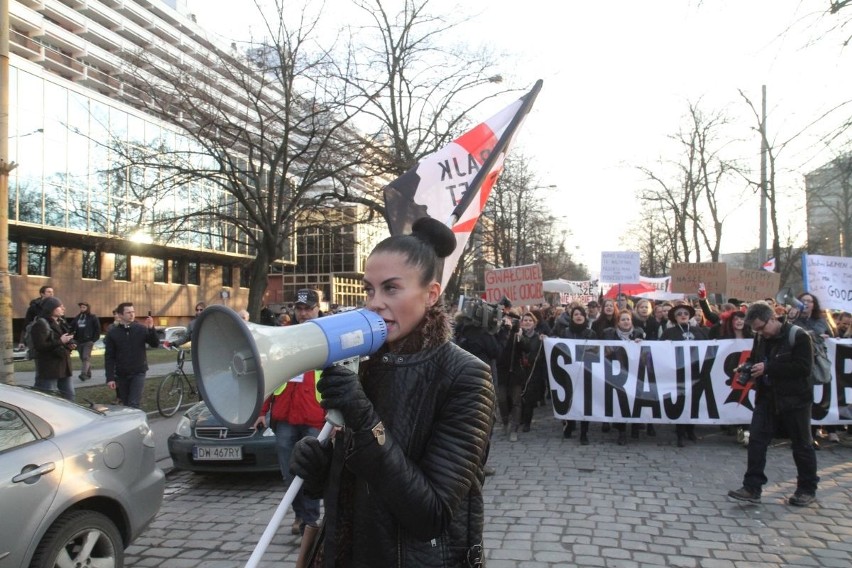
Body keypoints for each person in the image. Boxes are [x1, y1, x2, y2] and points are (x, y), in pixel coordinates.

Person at [289, 217, 495, 567]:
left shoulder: (466, 376)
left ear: (431, 294)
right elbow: (363, 491)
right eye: (370, 289)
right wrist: (323, 473)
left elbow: (429, 515)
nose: (375, 302)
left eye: (391, 288)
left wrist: (365, 420)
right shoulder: (365, 362)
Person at [727, 302, 819, 507]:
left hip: (795, 400)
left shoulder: (799, 336)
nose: (760, 332)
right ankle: (752, 487)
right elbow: (755, 358)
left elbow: (803, 368)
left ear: (773, 318)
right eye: (756, 329)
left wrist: (769, 368)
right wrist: (748, 368)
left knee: (802, 445)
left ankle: (807, 488)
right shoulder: (760, 336)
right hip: (767, 397)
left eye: (761, 327)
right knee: (756, 441)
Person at [253, 288, 325, 536]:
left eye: (308, 308)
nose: (304, 313)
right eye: (300, 308)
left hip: (315, 416)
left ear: (318, 308)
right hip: (285, 416)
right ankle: (299, 515)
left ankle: (310, 518)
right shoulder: (282, 335)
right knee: (289, 473)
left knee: (311, 471)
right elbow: (269, 374)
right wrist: (262, 410)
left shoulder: (328, 335)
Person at [662, 303, 708, 447]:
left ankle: (690, 429)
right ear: (675, 318)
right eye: (679, 314)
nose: (683, 316)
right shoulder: (669, 332)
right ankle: (680, 431)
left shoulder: (698, 331)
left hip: (696, 371)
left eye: (686, 314)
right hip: (678, 372)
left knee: (694, 400)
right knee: (680, 401)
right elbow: (659, 349)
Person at [554, 305, 597, 444]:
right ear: (572, 317)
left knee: (585, 402)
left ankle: (584, 432)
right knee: (570, 399)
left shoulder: (591, 333)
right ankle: (569, 424)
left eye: (581, 314)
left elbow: (596, 351)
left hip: (586, 371)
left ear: (585, 317)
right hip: (569, 370)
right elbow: (559, 348)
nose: (578, 316)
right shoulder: (565, 332)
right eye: (575, 314)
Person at [601, 311, 646, 445]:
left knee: (635, 399)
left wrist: (641, 343)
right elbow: (604, 352)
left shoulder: (639, 333)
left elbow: (646, 354)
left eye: (628, 319)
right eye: (623, 320)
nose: (626, 322)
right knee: (620, 402)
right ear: (618, 322)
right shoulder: (609, 334)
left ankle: (635, 427)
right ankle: (621, 431)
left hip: (635, 373)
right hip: (617, 373)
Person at [104, 302, 160, 408]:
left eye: (133, 312)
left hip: (138, 372)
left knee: (133, 403)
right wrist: (110, 377)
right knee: (126, 405)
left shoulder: (140, 329)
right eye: (128, 312)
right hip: (122, 374)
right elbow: (109, 357)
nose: (132, 314)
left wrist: (151, 328)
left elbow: (155, 344)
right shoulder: (113, 333)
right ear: (120, 315)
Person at [30, 297, 76, 401]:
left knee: (70, 396)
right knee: (47, 398)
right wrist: (61, 341)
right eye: (60, 306)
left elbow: (66, 337)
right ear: (51, 308)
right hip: (50, 368)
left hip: (64, 366)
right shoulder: (41, 324)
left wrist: (70, 343)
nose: (63, 308)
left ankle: (70, 416)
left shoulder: (61, 322)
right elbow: (40, 346)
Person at [69, 302, 100, 381]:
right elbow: (71, 327)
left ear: (88, 308)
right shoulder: (78, 317)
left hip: (88, 341)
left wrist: (93, 340)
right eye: (81, 307)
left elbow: (97, 329)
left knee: (85, 357)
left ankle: (83, 374)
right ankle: (88, 374)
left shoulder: (92, 317)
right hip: (79, 341)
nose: (82, 309)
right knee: (82, 358)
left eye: (84, 307)